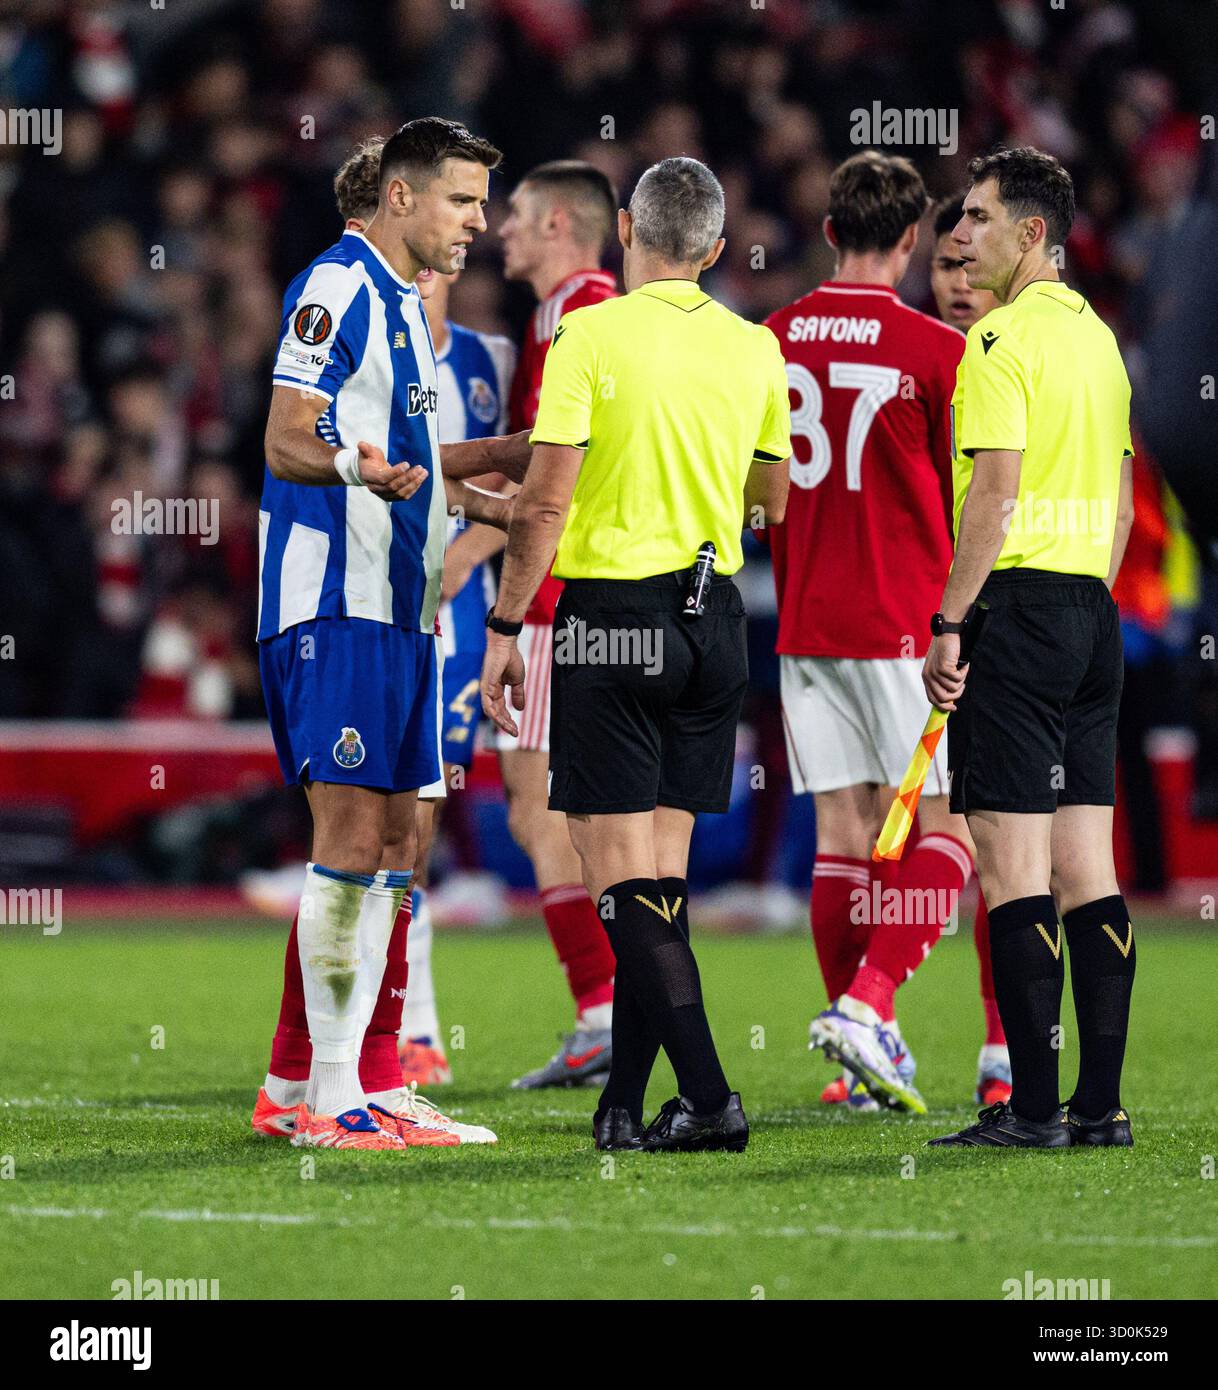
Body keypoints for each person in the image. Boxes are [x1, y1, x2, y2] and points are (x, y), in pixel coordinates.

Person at [481, 156, 791, 1153]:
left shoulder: (590, 332)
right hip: (718, 620)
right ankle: (623, 1101)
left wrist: (504, 626)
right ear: (712, 244)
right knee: (658, 886)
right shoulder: (754, 348)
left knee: (619, 885)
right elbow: (772, 505)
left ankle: (707, 1095)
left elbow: (547, 500)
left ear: (626, 228)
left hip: (613, 614)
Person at [250, 118, 525, 1151]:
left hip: (403, 605)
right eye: (464, 200)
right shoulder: (339, 284)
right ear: (402, 198)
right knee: (356, 838)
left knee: (402, 840)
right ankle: (326, 1098)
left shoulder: (406, 308)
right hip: (339, 602)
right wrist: (359, 469)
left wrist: (508, 472)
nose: (479, 222)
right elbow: (288, 432)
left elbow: (413, 455)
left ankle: (360, 1079)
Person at [925, 147, 1136, 1148]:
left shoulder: (998, 341)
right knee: (1087, 863)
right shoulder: (1099, 339)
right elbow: (1129, 503)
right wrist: (1086, 588)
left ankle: (1036, 1108)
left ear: (1033, 234)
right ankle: (1101, 1106)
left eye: (980, 218)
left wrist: (950, 619)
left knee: (1012, 871)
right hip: (1094, 610)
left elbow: (995, 495)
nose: (964, 238)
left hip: (1020, 610)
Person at [765, 152, 982, 1115]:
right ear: (910, 241)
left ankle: (849, 1058)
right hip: (904, 623)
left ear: (826, 233)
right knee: (955, 831)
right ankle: (868, 1002)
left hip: (806, 621)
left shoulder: (772, 338)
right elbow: (968, 492)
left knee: (842, 838)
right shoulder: (939, 352)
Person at [496, 161, 622, 1090]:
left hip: (556, 599)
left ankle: (603, 1009)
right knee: (606, 818)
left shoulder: (566, 312)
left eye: (517, 218)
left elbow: (552, 469)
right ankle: (623, 1008)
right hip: (633, 596)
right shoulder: (617, 307)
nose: (501, 231)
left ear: (564, 226)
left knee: (540, 809)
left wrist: (461, 515)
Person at [927, 194, 1011, 1107]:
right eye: (944, 269)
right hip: (930, 624)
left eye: (965, 266)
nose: (955, 285)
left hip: (992, 622)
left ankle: (1003, 1045)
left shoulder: (1006, 360)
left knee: (1000, 843)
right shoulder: (932, 363)